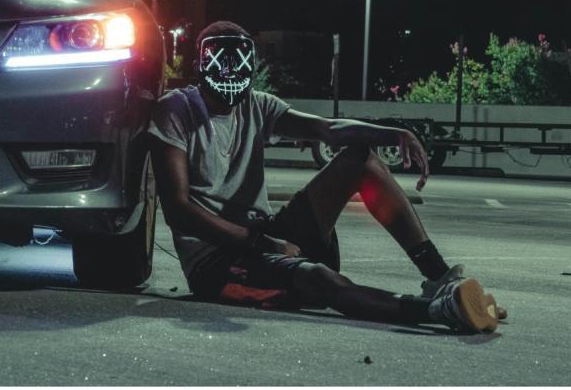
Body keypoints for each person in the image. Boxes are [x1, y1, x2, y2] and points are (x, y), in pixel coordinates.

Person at [147, 20, 505, 333]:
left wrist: (392, 133)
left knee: (360, 159)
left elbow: (329, 130)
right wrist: (263, 244)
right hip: (220, 263)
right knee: (320, 280)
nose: (228, 78)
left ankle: (441, 280)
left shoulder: (255, 104)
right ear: (203, 65)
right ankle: (435, 311)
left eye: (236, 67)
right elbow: (179, 210)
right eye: (220, 67)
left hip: (269, 233)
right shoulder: (176, 110)